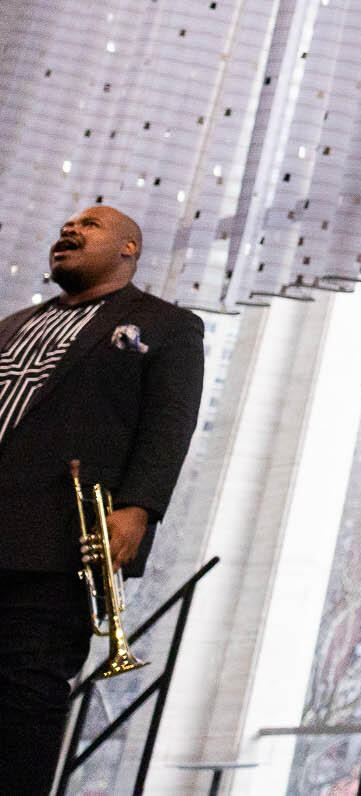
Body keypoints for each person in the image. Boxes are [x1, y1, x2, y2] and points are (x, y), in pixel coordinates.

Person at [0, 205, 203, 794]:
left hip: (56, 544)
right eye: (67, 225)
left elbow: (170, 425)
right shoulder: (13, 323)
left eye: (89, 225)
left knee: (24, 697)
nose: (70, 229)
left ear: (128, 248)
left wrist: (139, 508)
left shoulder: (166, 325)